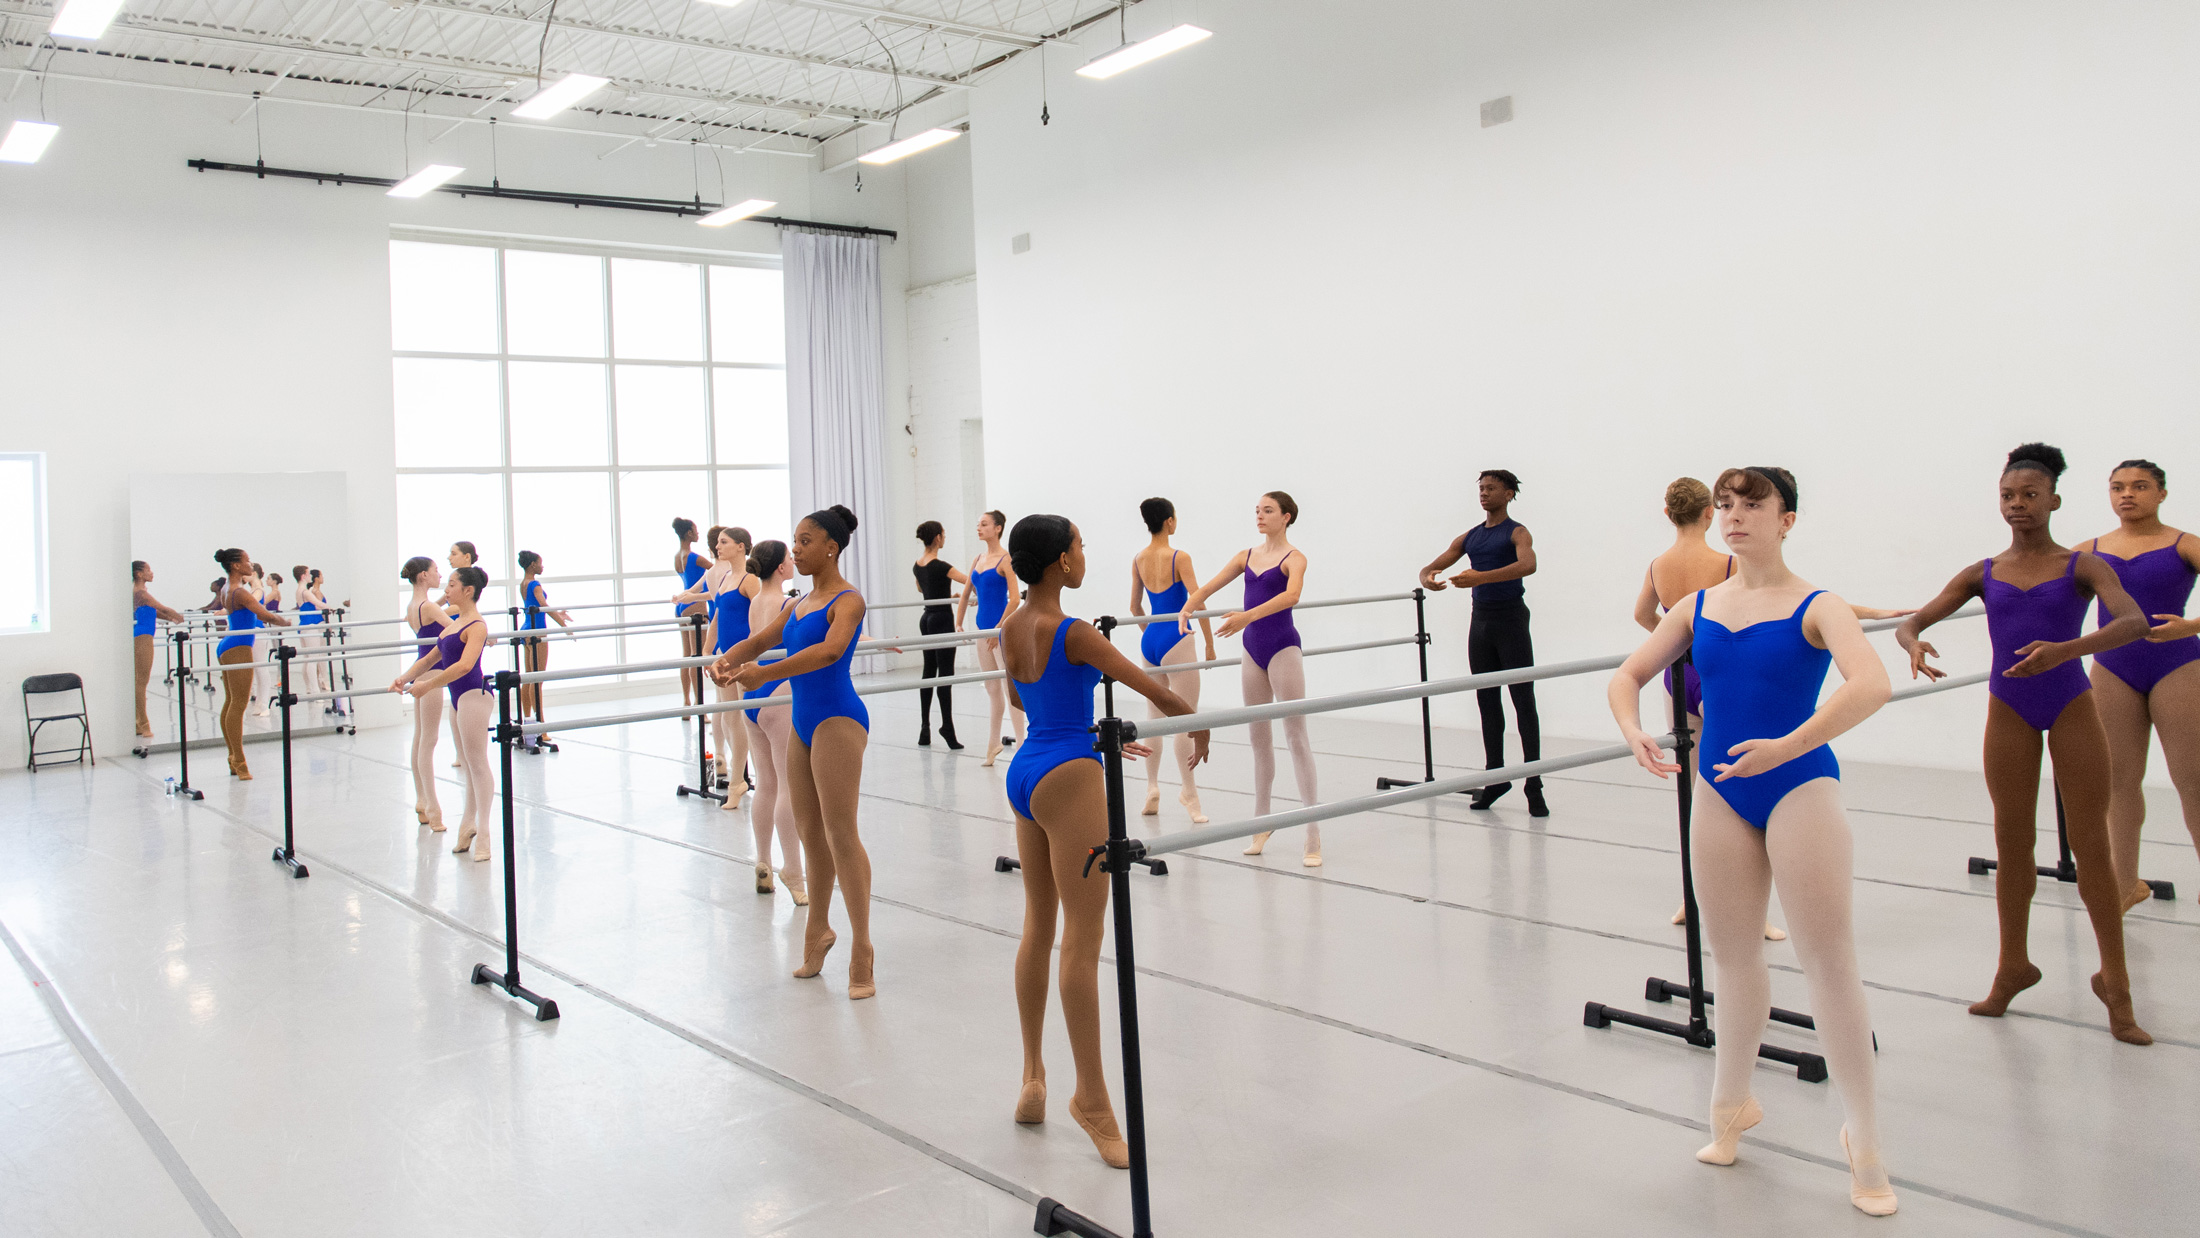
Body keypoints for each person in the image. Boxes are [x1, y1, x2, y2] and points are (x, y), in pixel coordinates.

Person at [1608, 466, 1897, 1217]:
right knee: (1733, 960)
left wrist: (1788, 746)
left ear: (1787, 519)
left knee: (1829, 962)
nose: (1734, 515)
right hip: (1720, 792)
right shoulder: (1699, 605)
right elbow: (1628, 674)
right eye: (1726, 504)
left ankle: (1864, 1138)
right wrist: (1634, 729)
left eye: (1753, 504)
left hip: (1799, 784)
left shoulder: (1818, 604)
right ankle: (1730, 1105)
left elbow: (1871, 684)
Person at [1896, 443, 2151, 1045]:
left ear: (2054, 501)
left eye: (2030, 495)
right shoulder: (1983, 572)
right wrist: (1912, 643)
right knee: (2012, 841)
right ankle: (2013, 965)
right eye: (2008, 496)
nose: (2017, 505)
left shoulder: (2082, 566)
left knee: (2092, 845)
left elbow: (2134, 622)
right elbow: (1913, 620)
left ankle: (2115, 982)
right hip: (2008, 708)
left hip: (2071, 703)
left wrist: (2067, 651)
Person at [1000, 514, 1208, 1169]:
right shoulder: (1075, 632)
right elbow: (1156, 692)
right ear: (1062, 562)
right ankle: (1090, 1098)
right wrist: (1198, 724)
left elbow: (1029, 705)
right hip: (1069, 778)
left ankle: (1033, 1076)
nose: (1085, 556)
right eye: (1080, 547)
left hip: (1026, 771)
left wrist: (1089, 732)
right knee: (1083, 943)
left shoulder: (1010, 626)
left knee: (1038, 926)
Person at [711, 506, 875, 999]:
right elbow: (761, 639)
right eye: (795, 541)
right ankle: (818, 929)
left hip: (838, 719)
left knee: (841, 832)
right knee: (809, 833)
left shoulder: (848, 600)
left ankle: (863, 949)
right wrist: (727, 660)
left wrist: (766, 672)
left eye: (805, 542)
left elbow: (829, 652)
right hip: (803, 723)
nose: (796, 550)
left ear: (831, 548)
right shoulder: (799, 603)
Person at [2080, 459, 2200, 910]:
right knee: (2118, 782)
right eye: (2117, 487)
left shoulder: (2185, 544)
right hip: (2113, 669)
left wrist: (2191, 627)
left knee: (2193, 779)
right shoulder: (2088, 552)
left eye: (2140, 486)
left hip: (2177, 665)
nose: (2127, 494)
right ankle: (2125, 884)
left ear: (2161, 493)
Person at [1182, 491, 1322, 865]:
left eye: (1268, 510)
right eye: (1257, 510)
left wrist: (1247, 616)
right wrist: (1187, 609)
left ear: (1286, 516)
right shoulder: (1245, 556)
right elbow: (1207, 587)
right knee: (1258, 739)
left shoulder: (1295, 558)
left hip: (1282, 647)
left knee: (1296, 737)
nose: (1259, 515)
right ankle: (1262, 823)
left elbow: (1292, 596)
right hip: (1252, 651)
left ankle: (1312, 831)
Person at [1420, 470, 1544, 815]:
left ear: (1509, 494)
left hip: (1511, 621)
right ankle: (1496, 778)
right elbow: (1432, 565)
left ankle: (1533, 783)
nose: (1484, 493)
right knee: (1487, 701)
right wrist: (1427, 577)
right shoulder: (1471, 536)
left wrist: (1481, 578)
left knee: (1523, 700)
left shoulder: (1517, 532)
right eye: (1482, 488)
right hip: (1481, 623)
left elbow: (1528, 565)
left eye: (1491, 488)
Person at [391, 565, 496, 863]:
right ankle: (468, 824)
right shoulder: (452, 625)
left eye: (451, 585)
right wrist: (404, 678)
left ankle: (484, 834)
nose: (446, 590)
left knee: (477, 765)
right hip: (459, 699)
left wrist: (427, 685)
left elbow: (464, 665)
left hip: (474, 695)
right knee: (469, 765)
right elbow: (429, 659)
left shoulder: (477, 625)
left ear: (468, 591)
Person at [1128, 497, 1213, 824]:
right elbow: (1197, 601)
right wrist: (1208, 643)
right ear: (1169, 522)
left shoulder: (1138, 559)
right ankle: (1189, 793)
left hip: (1151, 639)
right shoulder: (1179, 557)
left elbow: (1135, 607)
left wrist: (1151, 634)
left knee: (1154, 717)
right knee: (1185, 719)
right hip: (1177, 637)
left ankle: (1152, 787)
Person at [740, 540, 806, 902]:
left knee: (765, 782)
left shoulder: (755, 601)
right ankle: (794, 871)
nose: (793, 561)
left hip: (752, 693)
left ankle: (763, 860)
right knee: (787, 784)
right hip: (777, 689)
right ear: (781, 567)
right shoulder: (789, 604)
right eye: (789, 558)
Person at [675, 528, 759, 801]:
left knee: (745, 717)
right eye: (719, 542)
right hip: (725, 656)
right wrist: (707, 651)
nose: (718, 546)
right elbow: (718, 618)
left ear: (741, 546)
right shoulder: (724, 578)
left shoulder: (750, 580)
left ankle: (739, 780)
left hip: (743, 656)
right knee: (730, 716)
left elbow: (762, 619)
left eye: (724, 542)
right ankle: (736, 776)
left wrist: (751, 653)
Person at [211, 548, 289, 779]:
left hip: (229, 644)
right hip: (238, 647)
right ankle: (239, 760)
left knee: (231, 702)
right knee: (238, 705)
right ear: (236, 565)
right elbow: (265, 615)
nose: (250, 564)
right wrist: (285, 622)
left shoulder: (227, 588)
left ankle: (233, 757)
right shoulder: (240, 592)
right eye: (246, 561)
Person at [958, 510, 1025, 765]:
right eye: (978, 524)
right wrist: (958, 622)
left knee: (1009, 689)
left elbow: (1015, 599)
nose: (979, 528)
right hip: (982, 631)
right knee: (991, 688)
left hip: (999, 632)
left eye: (984, 524)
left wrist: (999, 628)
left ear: (997, 528)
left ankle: (1021, 744)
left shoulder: (1006, 559)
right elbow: (966, 592)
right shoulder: (978, 558)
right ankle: (993, 742)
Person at [401, 557, 449, 831]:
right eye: (435, 571)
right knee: (428, 740)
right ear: (423, 576)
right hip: (431, 675)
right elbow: (456, 628)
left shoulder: (413, 606)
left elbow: (438, 611)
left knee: (420, 737)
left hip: (422, 672)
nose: (439, 574)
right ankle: (431, 805)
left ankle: (422, 799)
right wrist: (485, 636)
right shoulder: (428, 607)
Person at [912, 521, 969, 749]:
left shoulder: (918, 565)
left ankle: (924, 727)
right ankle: (947, 727)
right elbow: (970, 581)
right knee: (945, 675)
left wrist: (948, 596)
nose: (944, 538)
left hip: (926, 619)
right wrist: (966, 597)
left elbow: (921, 589)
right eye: (943, 534)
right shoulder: (942, 566)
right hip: (942, 620)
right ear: (937, 537)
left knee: (928, 672)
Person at [515, 550, 573, 752]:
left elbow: (538, 607)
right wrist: (563, 626)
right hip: (537, 631)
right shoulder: (535, 585)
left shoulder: (523, 584)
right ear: (532, 564)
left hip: (527, 629)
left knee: (528, 678)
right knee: (537, 680)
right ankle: (540, 726)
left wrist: (559, 615)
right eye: (540, 563)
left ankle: (528, 722)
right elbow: (544, 606)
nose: (542, 566)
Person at [130, 561, 186, 738]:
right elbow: (161, 607)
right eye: (148, 570)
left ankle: (138, 722)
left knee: (139, 680)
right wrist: (177, 616)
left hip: (143, 634)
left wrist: (173, 619)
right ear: (139, 574)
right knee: (141, 681)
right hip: (143, 636)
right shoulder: (140, 593)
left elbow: (155, 612)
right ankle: (143, 724)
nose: (151, 573)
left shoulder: (140, 593)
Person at [673, 517, 715, 709]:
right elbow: (718, 571)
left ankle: (686, 701)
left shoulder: (677, 557)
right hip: (695, 605)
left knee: (687, 655)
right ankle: (699, 705)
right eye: (695, 530)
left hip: (681, 605)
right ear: (689, 533)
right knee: (696, 656)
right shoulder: (695, 557)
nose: (698, 534)